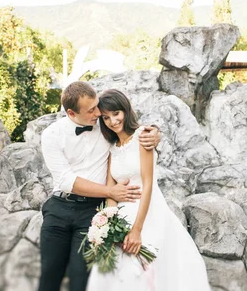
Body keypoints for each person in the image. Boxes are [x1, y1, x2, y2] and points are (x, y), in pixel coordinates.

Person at [38, 81, 160, 291]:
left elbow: (130, 132)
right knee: (49, 274)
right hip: (59, 208)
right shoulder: (51, 135)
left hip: (91, 212)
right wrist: (110, 192)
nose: (98, 112)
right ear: (71, 112)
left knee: (83, 279)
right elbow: (66, 180)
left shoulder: (106, 127)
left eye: (97, 106)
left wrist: (155, 133)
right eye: (92, 109)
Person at [86, 89, 210, 291]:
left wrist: (136, 230)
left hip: (148, 210)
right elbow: (111, 190)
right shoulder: (112, 148)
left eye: (116, 113)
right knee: (114, 270)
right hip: (122, 216)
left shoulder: (143, 137)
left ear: (125, 110)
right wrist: (109, 225)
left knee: (149, 269)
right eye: (106, 118)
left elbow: (148, 184)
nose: (112, 121)